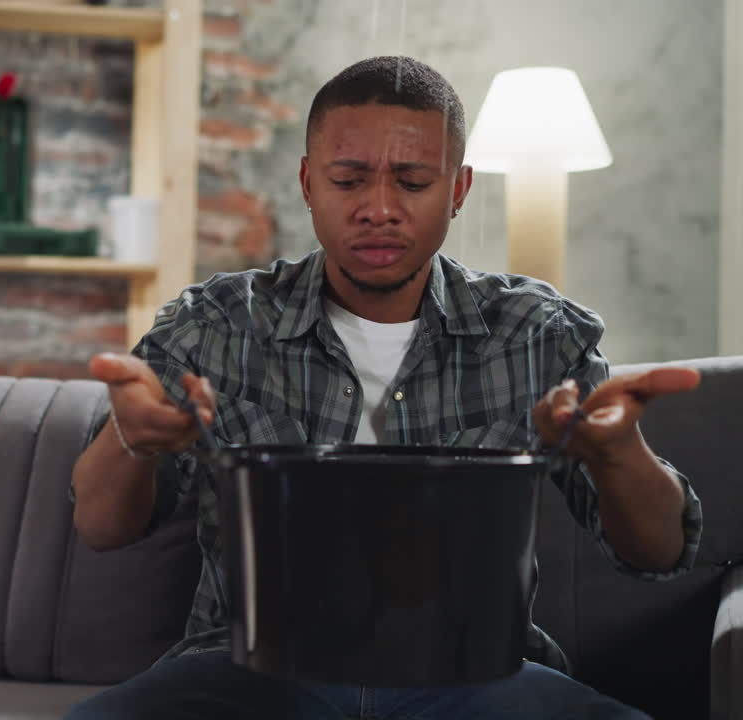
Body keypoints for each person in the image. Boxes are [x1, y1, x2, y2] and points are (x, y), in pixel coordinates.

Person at [66, 56, 702, 720]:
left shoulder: (537, 334)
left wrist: (619, 452)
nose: (379, 209)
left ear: (458, 189)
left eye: (413, 182)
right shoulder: (213, 326)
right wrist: (132, 439)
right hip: (252, 671)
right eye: (348, 180)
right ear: (308, 183)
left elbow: (658, 554)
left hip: (473, 673)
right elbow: (100, 527)